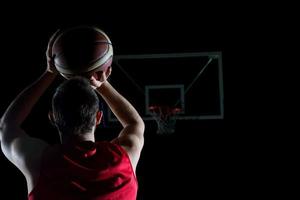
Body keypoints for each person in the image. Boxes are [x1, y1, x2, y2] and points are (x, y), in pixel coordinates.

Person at [0, 29, 145, 200]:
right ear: (98, 117)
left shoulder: (39, 162)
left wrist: (49, 72)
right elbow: (135, 124)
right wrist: (101, 83)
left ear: (52, 117)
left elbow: (7, 125)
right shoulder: (122, 161)